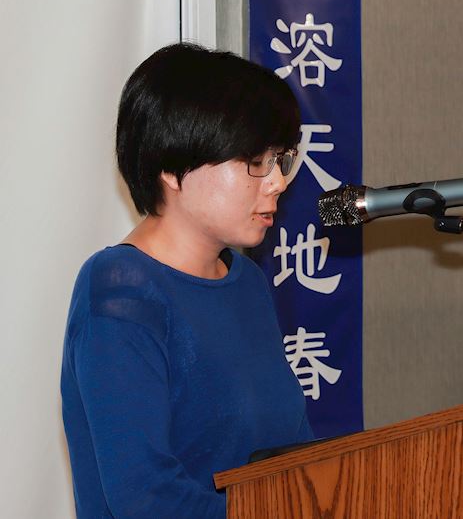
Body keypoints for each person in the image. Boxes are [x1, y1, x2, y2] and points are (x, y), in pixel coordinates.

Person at [61, 43, 313, 518]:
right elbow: (146, 497)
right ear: (173, 170)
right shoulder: (120, 292)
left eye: (279, 158)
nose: (277, 181)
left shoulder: (247, 282)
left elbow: (291, 453)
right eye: (254, 161)